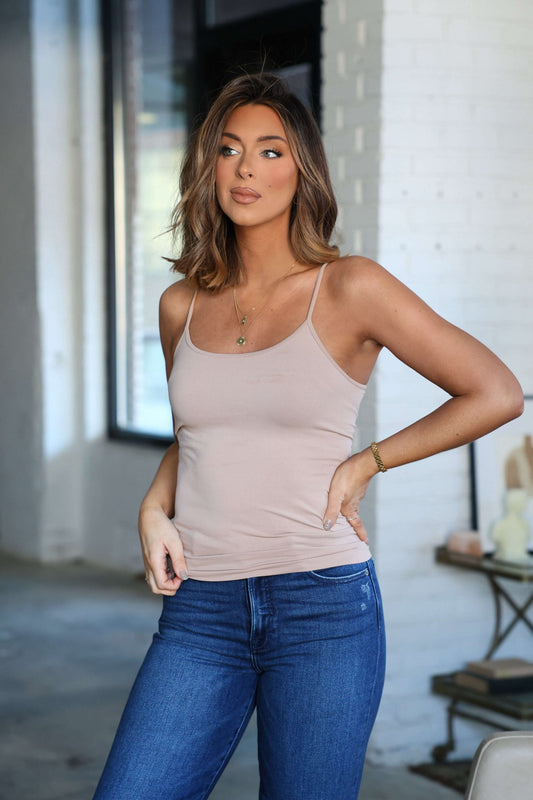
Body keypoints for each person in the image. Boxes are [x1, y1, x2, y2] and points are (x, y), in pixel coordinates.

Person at [92, 73, 523, 800]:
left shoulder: (350, 287)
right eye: (228, 150)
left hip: (321, 606)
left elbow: (496, 392)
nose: (245, 169)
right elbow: (197, 438)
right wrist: (151, 508)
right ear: (209, 167)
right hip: (201, 609)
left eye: (269, 151)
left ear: (302, 171)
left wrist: (368, 462)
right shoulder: (180, 304)